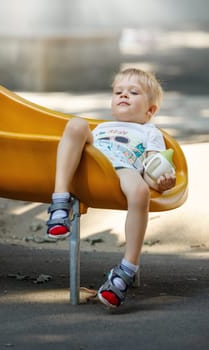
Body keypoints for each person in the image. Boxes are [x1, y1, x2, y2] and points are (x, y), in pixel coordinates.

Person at [46, 68, 176, 308]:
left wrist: (162, 181)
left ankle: (126, 270)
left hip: (123, 169)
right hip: (92, 164)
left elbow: (151, 168)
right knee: (75, 123)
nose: (123, 95)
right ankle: (60, 202)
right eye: (118, 92)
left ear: (150, 110)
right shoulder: (102, 128)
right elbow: (78, 146)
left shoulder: (149, 131)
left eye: (133, 92)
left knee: (140, 192)